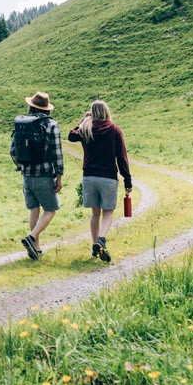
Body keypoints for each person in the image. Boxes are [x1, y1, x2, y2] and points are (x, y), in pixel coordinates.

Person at [68, 100, 133, 263]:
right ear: (106, 112)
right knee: (108, 212)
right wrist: (127, 179)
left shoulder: (85, 129)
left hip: (89, 177)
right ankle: (101, 239)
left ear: (92, 113)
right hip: (108, 177)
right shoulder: (115, 130)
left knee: (95, 213)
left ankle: (95, 246)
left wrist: (82, 121)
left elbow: (70, 136)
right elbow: (122, 157)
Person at [10, 91, 64, 260]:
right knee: (51, 209)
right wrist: (59, 176)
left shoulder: (21, 124)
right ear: (47, 109)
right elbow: (57, 153)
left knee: (34, 209)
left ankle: (36, 250)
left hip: (26, 176)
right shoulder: (51, 125)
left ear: (31, 106)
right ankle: (32, 237)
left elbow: (13, 150)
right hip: (44, 175)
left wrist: (21, 166)